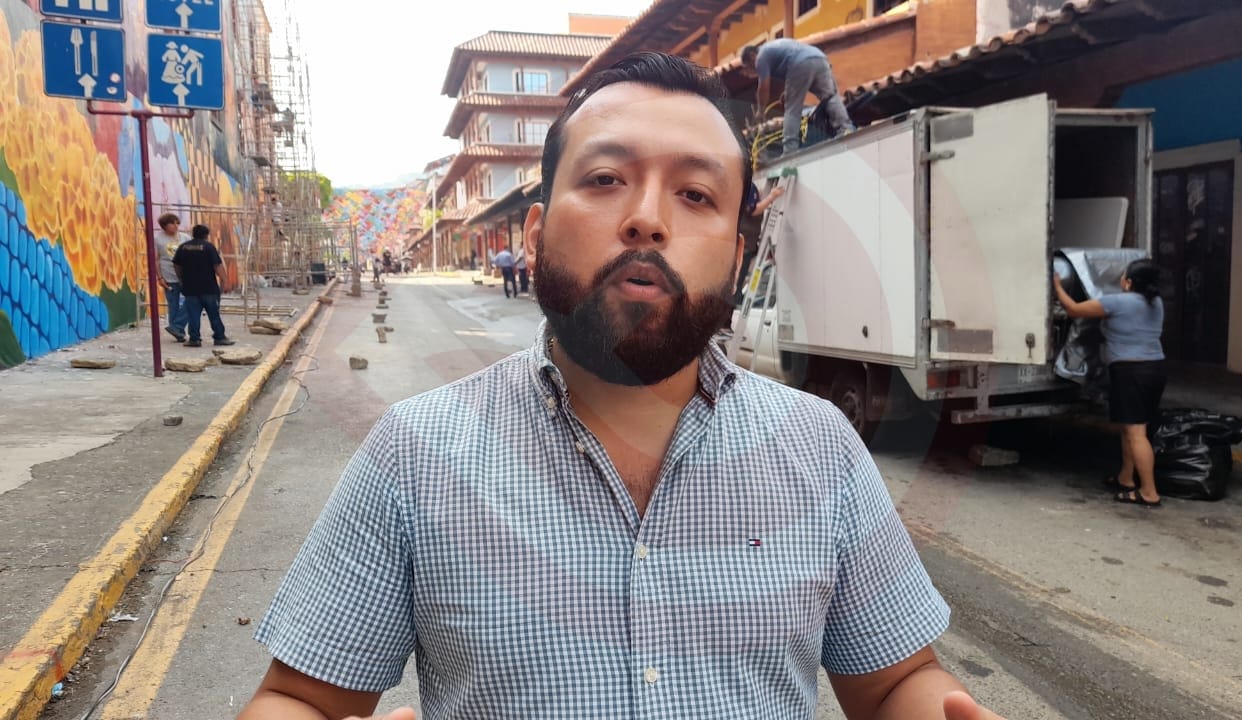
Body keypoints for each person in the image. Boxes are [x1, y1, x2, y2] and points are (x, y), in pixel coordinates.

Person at [240, 52, 1003, 720]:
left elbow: (897, 681)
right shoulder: (414, 455)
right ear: (534, 234)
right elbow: (302, 698)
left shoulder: (821, 448)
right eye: (606, 179)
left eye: (695, 194)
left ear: (736, 261)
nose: (646, 219)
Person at [1053, 258, 1166, 507]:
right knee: (1131, 428)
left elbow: (1073, 310)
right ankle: (1126, 478)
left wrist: (1057, 286)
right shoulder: (1156, 302)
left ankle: (1149, 492)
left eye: (1123, 275)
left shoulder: (1118, 302)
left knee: (1136, 433)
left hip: (1131, 372)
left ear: (1129, 282)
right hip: (1155, 369)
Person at [741, 39, 854, 154]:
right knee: (830, 97)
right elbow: (792, 66)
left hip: (801, 63)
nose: (752, 69)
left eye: (749, 66)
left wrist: (760, 111)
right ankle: (846, 129)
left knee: (792, 109)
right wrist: (787, 93)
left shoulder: (761, 57)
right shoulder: (773, 47)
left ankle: (790, 149)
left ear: (752, 55)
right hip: (820, 58)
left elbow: (763, 88)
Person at [172, 224, 234, 348]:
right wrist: (225, 281)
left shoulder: (183, 247)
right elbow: (217, 266)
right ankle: (219, 337)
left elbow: (176, 265)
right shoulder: (209, 247)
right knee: (214, 314)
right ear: (206, 235)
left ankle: (194, 339)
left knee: (193, 315)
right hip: (209, 287)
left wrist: (181, 279)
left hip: (190, 288)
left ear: (193, 234)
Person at [733, 179, 786, 307]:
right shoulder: (747, 186)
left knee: (738, 279)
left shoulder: (745, 185)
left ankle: (735, 302)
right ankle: (734, 304)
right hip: (745, 243)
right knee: (737, 281)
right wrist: (772, 197)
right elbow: (753, 210)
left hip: (747, 243)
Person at [154, 213, 189, 342]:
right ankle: (178, 332)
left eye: (177, 223)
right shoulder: (158, 239)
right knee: (173, 304)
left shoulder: (185, 238)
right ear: (164, 225)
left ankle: (176, 327)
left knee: (191, 301)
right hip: (168, 275)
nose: (175, 226)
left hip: (185, 275)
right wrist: (160, 277)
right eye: (172, 223)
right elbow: (156, 260)